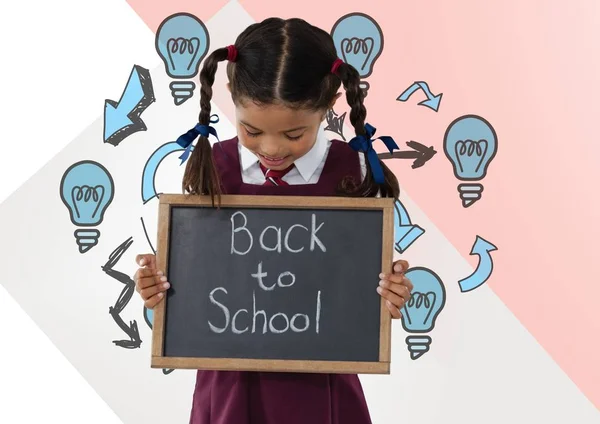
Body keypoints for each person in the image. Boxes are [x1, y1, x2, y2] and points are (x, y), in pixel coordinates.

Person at [134, 17, 414, 424]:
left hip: (323, 391)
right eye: (252, 130)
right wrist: (161, 287)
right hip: (230, 388)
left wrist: (387, 294)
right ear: (231, 96)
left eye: (294, 134)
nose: (271, 148)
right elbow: (201, 279)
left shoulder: (351, 172)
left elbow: (355, 288)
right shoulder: (215, 167)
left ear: (329, 104)